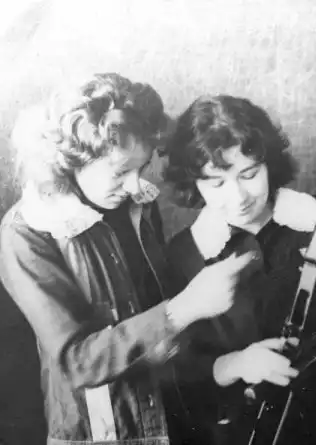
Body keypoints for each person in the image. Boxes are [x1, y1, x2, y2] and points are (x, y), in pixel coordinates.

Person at [0, 73, 255, 445]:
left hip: (168, 417)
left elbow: (157, 318)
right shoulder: (27, 232)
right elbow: (76, 362)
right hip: (98, 433)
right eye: (121, 172)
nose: (136, 185)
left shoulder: (137, 204)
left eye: (143, 167)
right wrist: (184, 307)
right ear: (71, 160)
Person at [163, 94, 316, 445]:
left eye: (249, 174)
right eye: (216, 183)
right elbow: (177, 374)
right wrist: (235, 364)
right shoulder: (184, 255)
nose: (239, 196)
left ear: (270, 164)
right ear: (193, 184)